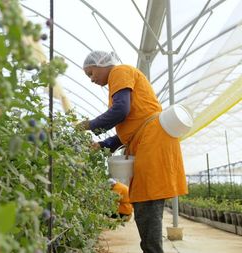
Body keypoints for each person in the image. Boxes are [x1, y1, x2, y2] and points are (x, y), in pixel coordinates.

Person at [77, 51, 188, 253]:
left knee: (147, 205)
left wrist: (88, 125)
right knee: (144, 207)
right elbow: (127, 132)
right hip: (146, 141)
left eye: (91, 73)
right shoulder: (117, 82)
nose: (92, 80)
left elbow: (120, 111)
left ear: (102, 64)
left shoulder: (119, 71)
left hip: (152, 143)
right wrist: (100, 145)